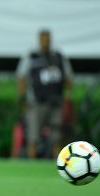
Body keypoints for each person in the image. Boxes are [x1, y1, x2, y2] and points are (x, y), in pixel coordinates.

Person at [16, 29, 73, 159]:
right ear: (39, 40)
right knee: (33, 135)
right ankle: (32, 165)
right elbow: (21, 77)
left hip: (56, 101)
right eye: (43, 38)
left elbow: (68, 76)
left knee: (57, 137)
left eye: (48, 38)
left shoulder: (58, 56)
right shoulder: (32, 56)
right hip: (37, 101)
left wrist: (68, 97)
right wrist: (22, 97)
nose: (46, 41)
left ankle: (59, 164)